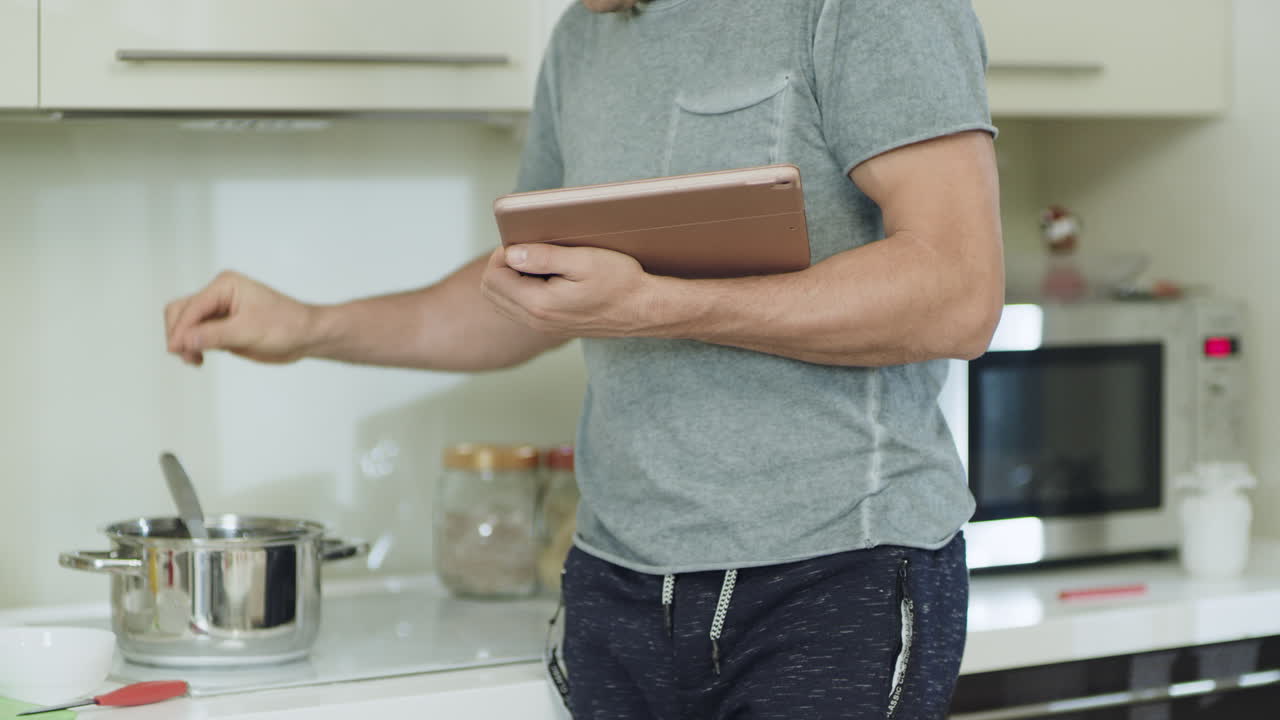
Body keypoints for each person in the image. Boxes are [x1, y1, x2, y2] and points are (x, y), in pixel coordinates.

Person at [164, 0, 1003, 716]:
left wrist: (664, 307)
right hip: (617, 587)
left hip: (832, 580)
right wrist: (310, 326)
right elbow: (533, 296)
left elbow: (958, 289)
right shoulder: (583, 38)